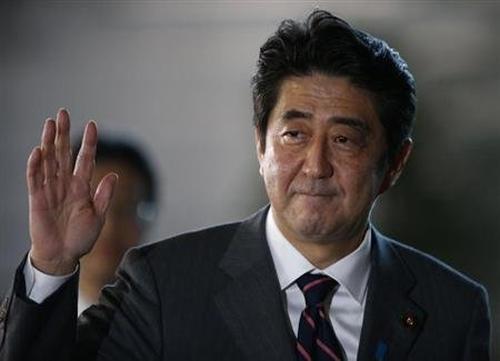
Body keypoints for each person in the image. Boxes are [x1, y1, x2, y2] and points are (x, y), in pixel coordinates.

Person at [0, 9, 491, 361]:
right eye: (294, 135)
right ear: (261, 145)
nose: (315, 165)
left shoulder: (453, 307)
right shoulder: (164, 285)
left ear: (395, 163)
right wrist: (53, 266)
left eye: (344, 140)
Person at [73, 137, 157, 314]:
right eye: (92, 208)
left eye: (126, 209)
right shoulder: (24, 324)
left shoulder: (171, 323)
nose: (109, 228)